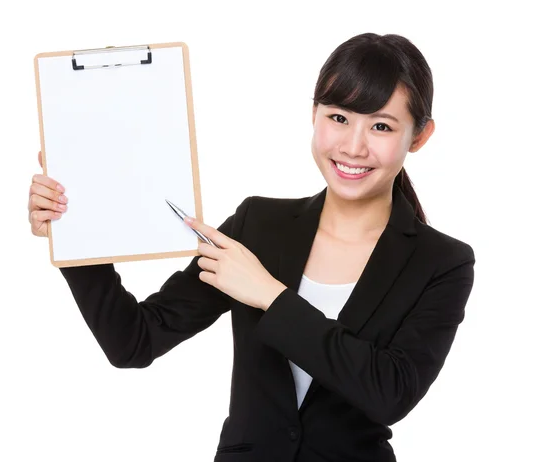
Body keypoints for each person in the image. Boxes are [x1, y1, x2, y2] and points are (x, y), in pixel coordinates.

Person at [28, 32, 475, 462]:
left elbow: (389, 393)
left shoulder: (443, 262)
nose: (353, 147)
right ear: (314, 114)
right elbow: (134, 341)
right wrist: (75, 231)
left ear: (419, 136)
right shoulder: (259, 224)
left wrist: (270, 296)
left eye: (381, 125)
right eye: (338, 118)